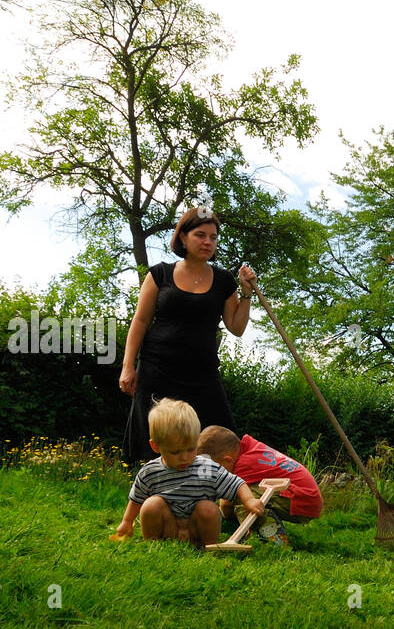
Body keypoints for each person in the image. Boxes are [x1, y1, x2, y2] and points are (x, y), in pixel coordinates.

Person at [119, 205, 258, 462]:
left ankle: (216, 491)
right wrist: (128, 366)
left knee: (221, 435)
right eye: (200, 235)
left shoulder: (224, 281)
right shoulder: (160, 274)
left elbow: (236, 328)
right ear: (183, 237)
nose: (207, 242)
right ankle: (149, 493)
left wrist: (247, 293)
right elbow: (139, 320)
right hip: (157, 368)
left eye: (213, 237)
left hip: (202, 373)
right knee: (155, 435)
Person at [114, 398, 265, 548]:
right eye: (175, 452)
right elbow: (136, 499)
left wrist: (249, 500)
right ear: (156, 446)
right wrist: (127, 522)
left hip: (197, 531)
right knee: (151, 505)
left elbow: (236, 483)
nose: (184, 457)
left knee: (208, 508)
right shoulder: (150, 472)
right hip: (169, 529)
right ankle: (154, 545)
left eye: (191, 449)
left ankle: (208, 548)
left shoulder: (206, 468)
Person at [196, 425, 323, 546]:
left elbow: (225, 505)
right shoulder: (249, 447)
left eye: (215, 468)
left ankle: (273, 538)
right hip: (305, 496)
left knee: (241, 495)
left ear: (228, 460)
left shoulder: (243, 464)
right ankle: (254, 527)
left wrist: (221, 517)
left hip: (301, 498)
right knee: (244, 494)